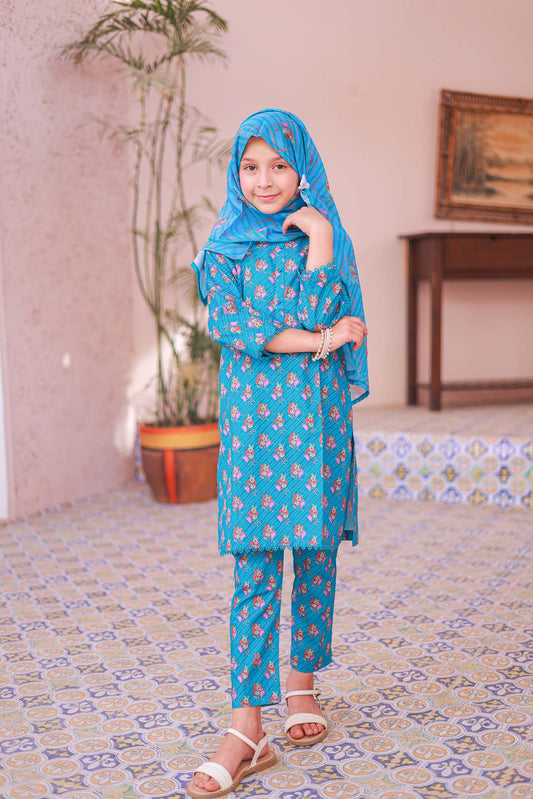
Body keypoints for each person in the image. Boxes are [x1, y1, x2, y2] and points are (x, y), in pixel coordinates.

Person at [187, 109, 368, 798]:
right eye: (250, 167)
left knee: (315, 558)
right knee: (257, 569)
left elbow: (325, 307)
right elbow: (232, 327)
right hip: (255, 428)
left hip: (316, 424)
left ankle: (302, 686)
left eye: (279, 166)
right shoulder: (226, 244)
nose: (264, 182)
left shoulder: (326, 235)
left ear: (302, 170)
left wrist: (319, 233)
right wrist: (321, 341)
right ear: (237, 174)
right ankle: (245, 727)